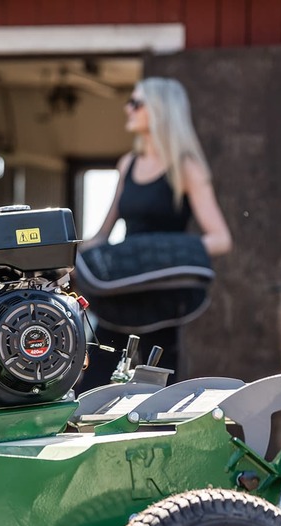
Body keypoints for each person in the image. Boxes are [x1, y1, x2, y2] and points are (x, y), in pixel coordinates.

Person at [78, 76, 232, 388]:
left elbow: (220, 239)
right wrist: (66, 260)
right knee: (93, 382)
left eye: (136, 103)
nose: (127, 109)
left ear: (161, 110)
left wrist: (164, 252)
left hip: (162, 295)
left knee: (160, 387)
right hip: (124, 291)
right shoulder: (128, 163)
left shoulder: (186, 168)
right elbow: (102, 234)